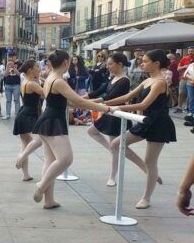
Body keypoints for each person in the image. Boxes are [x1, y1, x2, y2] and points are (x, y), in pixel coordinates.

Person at [31, 50, 112, 209]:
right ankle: (40, 186)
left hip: (48, 120)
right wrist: (104, 108)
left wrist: (96, 104)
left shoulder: (51, 78)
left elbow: (71, 102)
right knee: (65, 159)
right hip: (53, 121)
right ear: (65, 63)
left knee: (50, 161)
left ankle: (49, 200)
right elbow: (79, 102)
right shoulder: (59, 80)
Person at [106, 50, 176, 209]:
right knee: (116, 144)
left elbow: (144, 105)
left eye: (145, 61)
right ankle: (147, 169)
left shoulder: (160, 82)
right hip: (146, 120)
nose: (141, 64)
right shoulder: (147, 81)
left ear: (156, 63)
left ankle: (146, 197)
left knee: (151, 160)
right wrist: (105, 104)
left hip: (159, 122)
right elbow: (126, 97)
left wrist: (116, 108)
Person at [83, 53, 140, 187]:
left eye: (110, 64)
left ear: (119, 64)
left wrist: (88, 102)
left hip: (116, 114)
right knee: (92, 131)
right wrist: (83, 97)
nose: (107, 67)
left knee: (113, 145)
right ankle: (111, 149)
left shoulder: (124, 80)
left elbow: (109, 97)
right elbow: (100, 91)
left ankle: (112, 176)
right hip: (109, 112)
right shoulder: (114, 78)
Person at [13, 60, 44, 182]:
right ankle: (21, 157)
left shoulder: (25, 82)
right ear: (30, 70)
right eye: (37, 66)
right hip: (28, 115)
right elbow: (46, 94)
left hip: (24, 114)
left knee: (25, 145)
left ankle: (25, 175)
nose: (39, 68)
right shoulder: (31, 84)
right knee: (39, 140)